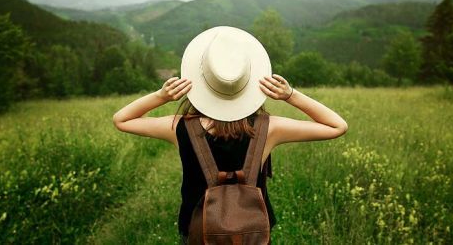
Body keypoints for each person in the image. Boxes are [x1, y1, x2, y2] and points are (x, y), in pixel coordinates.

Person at [112, 26, 348, 244]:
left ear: (200, 83)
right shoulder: (270, 128)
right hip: (252, 231)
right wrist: (290, 95)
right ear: (249, 83)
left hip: (197, 229)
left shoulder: (179, 127)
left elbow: (122, 119)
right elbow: (337, 126)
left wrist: (162, 96)